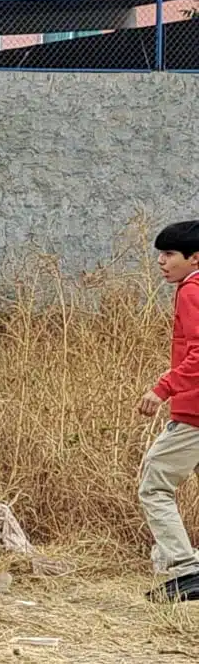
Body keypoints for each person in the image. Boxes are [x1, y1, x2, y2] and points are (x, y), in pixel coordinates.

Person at [138, 219, 199, 604]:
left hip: (194, 413)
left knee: (154, 485)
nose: (161, 262)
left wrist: (162, 389)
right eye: (160, 254)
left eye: (170, 254)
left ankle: (185, 570)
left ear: (194, 257)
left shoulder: (192, 289)